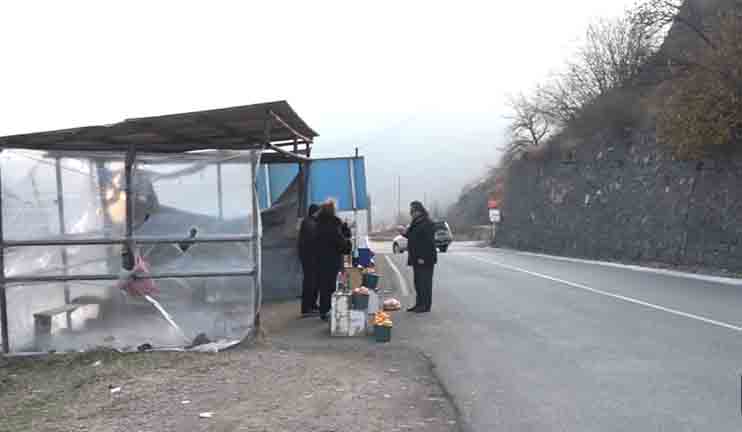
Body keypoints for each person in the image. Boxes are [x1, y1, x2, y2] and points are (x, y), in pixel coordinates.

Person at [314, 200, 351, 321]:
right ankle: (327, 311)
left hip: (320, 259)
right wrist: (348, 243)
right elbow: (339, 242)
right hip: (331, 259)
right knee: (329, 286)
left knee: (324, 285)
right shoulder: (333, 224)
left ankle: (324, 311)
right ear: (332, 211)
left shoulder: (318, 223)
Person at [401, 201, 437, 313]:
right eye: (410, 211)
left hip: (425, 259)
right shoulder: (416, 222)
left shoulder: (427, 223)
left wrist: (423, 257)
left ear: (419, 211)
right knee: (418, 282)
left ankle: (425, 306)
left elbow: (428, 243)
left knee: (425, 283)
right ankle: (419, 304)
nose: (411, 213)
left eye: (412, 211)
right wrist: (403, 233)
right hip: (416, 258)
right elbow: (413, 236)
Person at [298, 204, 320, 315]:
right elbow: (314, 239)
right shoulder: (309, 223)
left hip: (310, 257)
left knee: (314, 282)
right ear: (314, 212)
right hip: (309, 258)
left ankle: (312, 304)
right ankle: (306, 308)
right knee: (309, 282)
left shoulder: (310, 222)